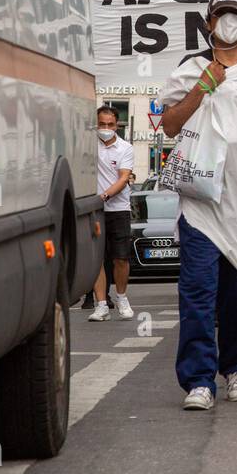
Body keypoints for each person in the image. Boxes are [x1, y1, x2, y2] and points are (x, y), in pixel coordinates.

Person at [161, 0, 237, 410]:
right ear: (208, 24)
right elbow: (168, 125)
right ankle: (199, 380)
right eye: (221, 15)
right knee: (198, 291)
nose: (229, 22)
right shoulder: (189, 69)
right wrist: (202, 87)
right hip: (201, 204)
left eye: (236, 15)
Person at [89, 106, 135, 322]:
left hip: (118, 209)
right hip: (94, 210)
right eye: (102, 124)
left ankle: (122, 297)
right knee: (97, 259)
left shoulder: (125, 148)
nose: (106, 128)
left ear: (117, 125)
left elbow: (124, 177)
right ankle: (101, 305)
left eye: (110, 125)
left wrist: (105, 196)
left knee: (121, 258)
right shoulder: (88, 145)